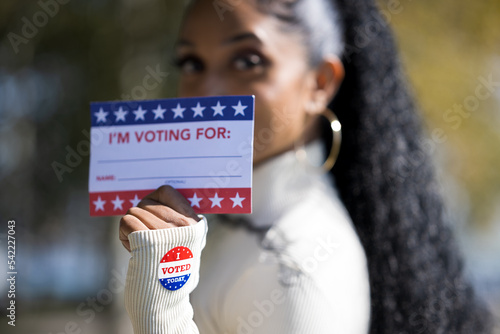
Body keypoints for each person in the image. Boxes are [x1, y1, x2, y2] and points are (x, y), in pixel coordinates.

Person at [119, 0, 493, 333]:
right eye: (191, 63)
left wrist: (162, 307)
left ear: (320, 83)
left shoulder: (298, 270)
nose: (207, 92)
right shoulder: (228, 222)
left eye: (247, 60)